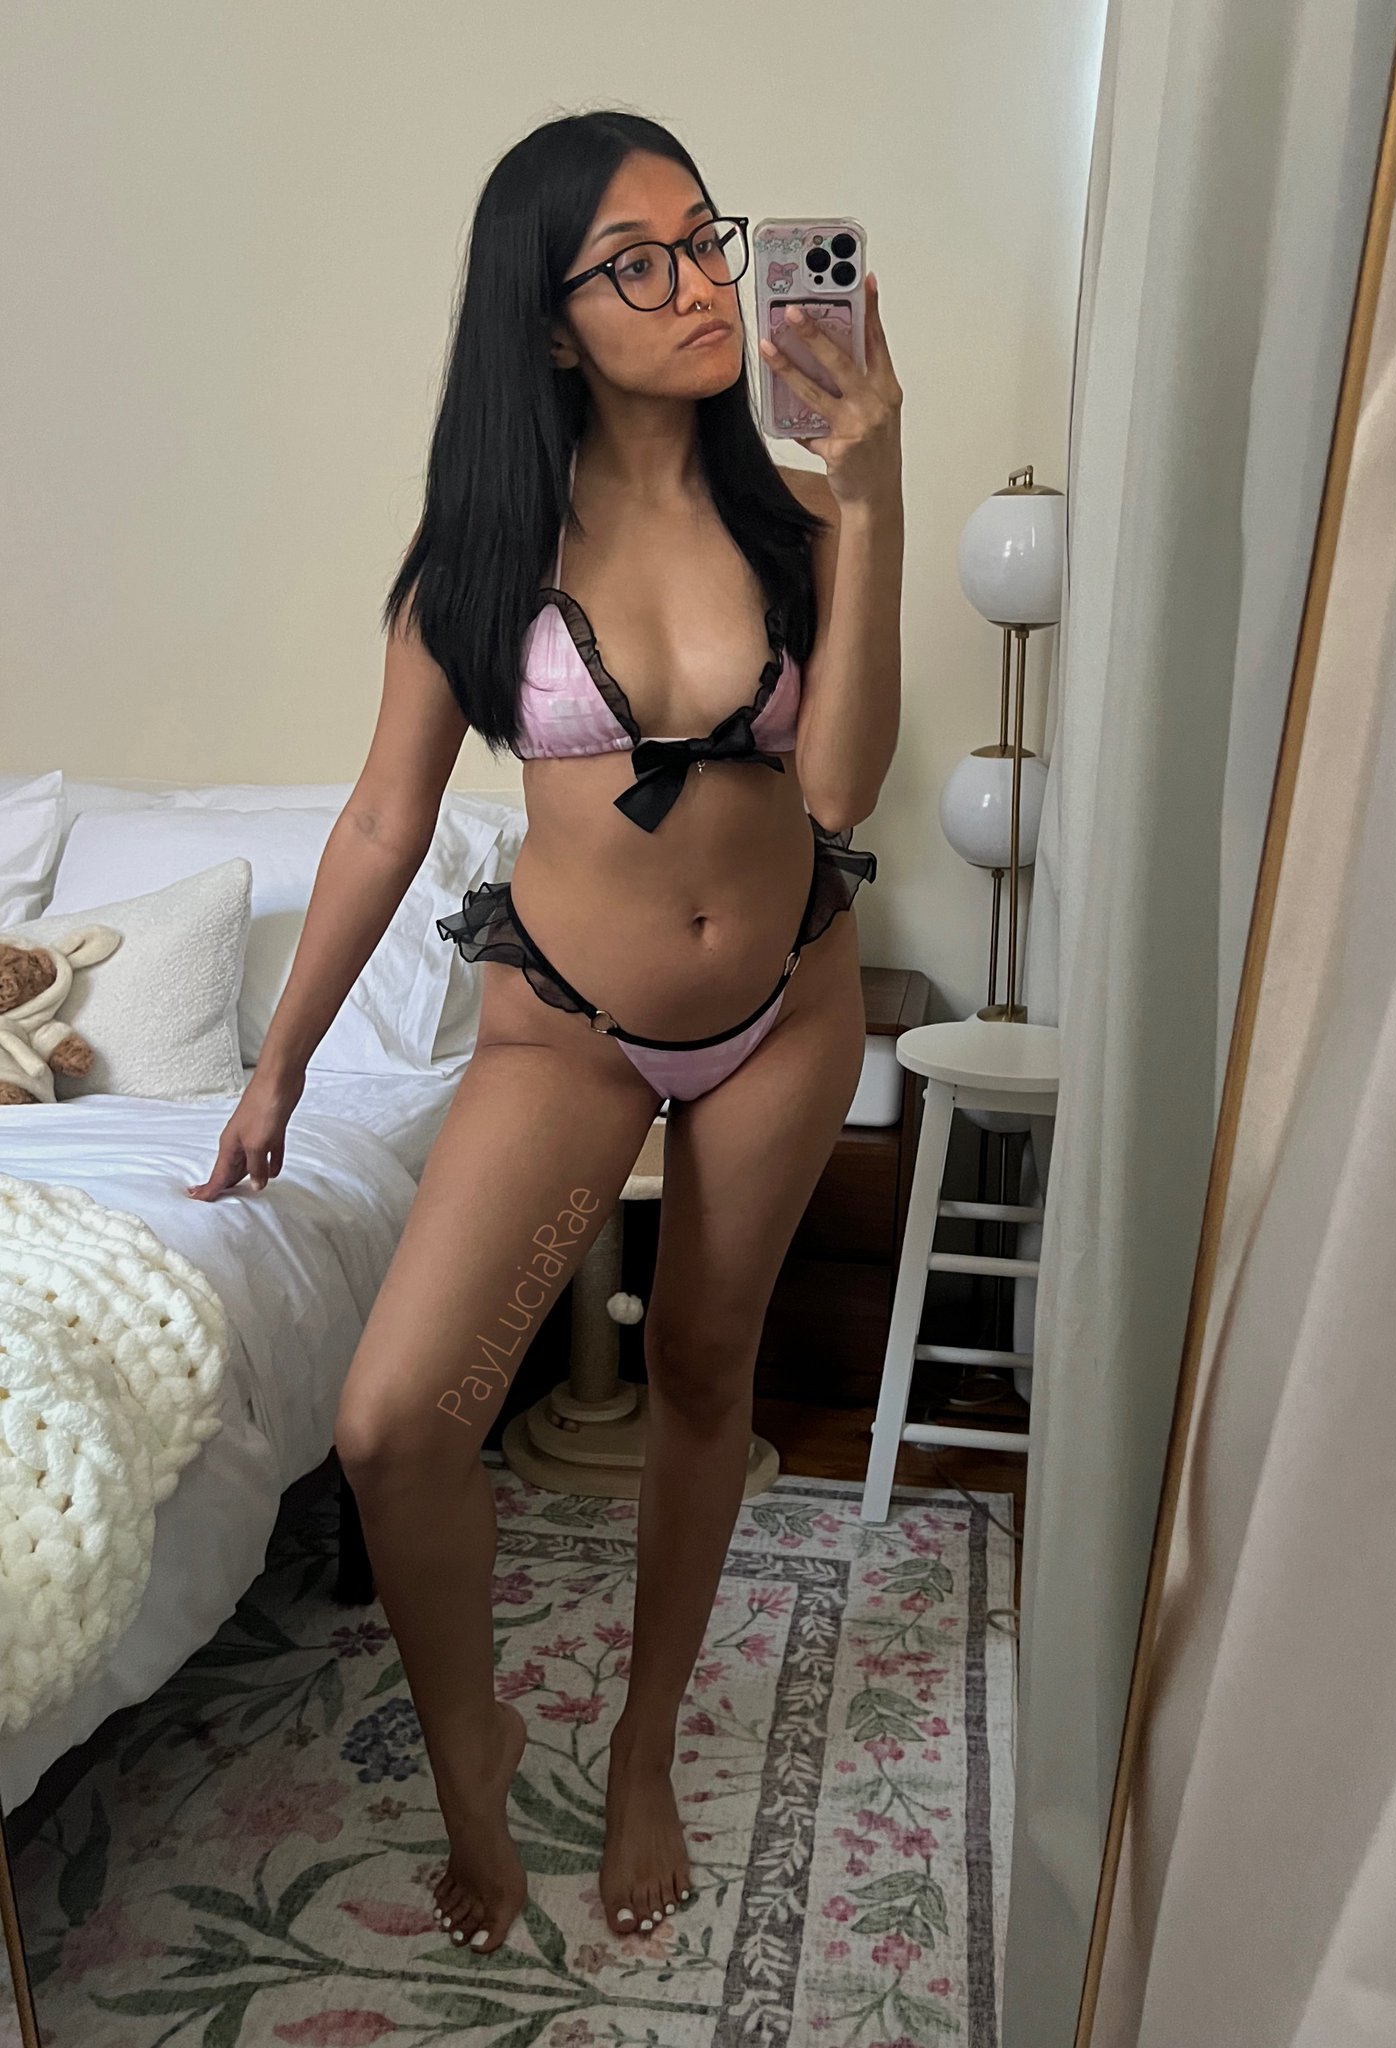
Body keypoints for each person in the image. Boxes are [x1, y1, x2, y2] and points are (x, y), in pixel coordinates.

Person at [186, 108, 902, 1959]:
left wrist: (880, 486)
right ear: (551, 322)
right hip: (570, 1026)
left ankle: (646, 1742)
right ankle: (476, 1753)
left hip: (786, 1006)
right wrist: (279, 1068)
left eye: (703, 242)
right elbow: (381, 822)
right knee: (396, 1422)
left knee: (704, 1379)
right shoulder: (482, 555)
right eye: (633, 265)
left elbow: (838, 788)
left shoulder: (806, 521)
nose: (698, 288)